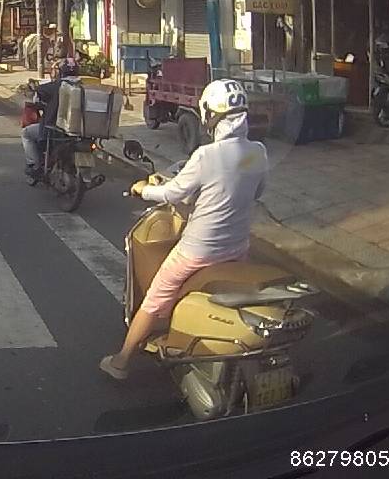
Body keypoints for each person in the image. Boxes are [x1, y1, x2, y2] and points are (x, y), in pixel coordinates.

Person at [99, 79, 268, 380]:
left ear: (210, 116)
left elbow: (172, 193)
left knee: (154, 299)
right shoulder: (257, 151)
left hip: (198, 250)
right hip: (237, 247)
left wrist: (142, 189)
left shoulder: (206, 155)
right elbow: (256, 191)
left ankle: (121, 362)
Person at [21, 58, 80, 180]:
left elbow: (38, 95)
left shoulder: (54, 86)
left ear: (60, 72)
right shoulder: (84, 87)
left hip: (54, 130)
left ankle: (35, 165)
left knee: (26, 133)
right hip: (80, 132)